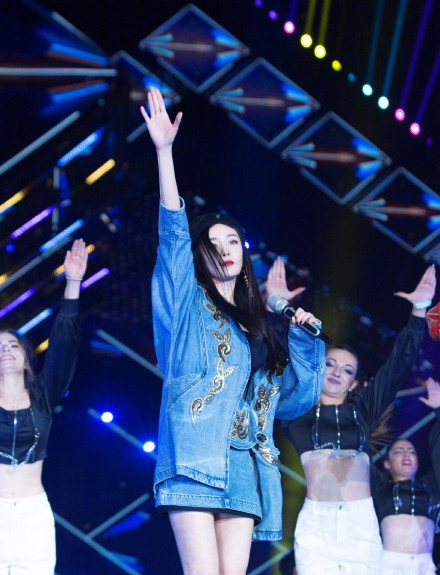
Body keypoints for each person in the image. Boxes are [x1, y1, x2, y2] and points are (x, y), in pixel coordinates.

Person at [140, 87, 326, 575]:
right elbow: (173, 237)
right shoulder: (186, 303)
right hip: (194, 455)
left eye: (233, 241)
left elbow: (292, 400)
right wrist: (164, 153)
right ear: (199, 255)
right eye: (214, 243)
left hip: (245, 464)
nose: (226, 249)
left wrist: (298, 331)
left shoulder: (258, 326)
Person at [272, 259, 436, 574]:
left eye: (348, 370)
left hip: (360, 527)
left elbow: (397, 367)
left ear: (354, 384)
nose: (338, 372)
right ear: (318, 368)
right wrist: (276, 306)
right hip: (317, 525)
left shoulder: (362, 410)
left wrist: (419, 310)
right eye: (330, 364)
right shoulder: (297, 410)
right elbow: (272, 360)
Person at [0, 238, 87, 574]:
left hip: (32, 517)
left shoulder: (43, 395)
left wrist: (73, 282)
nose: (5, 350)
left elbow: (64, 345)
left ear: (25, 358)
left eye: (12, 345)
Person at [371, 376, 440, 575]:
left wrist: (439, 410)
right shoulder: (379, 488)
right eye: (399, 452)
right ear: (387, 463)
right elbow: (360, 451)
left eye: (411, 451)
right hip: (388, 566)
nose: (406, 455)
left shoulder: (430, 488)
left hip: (425, 567)